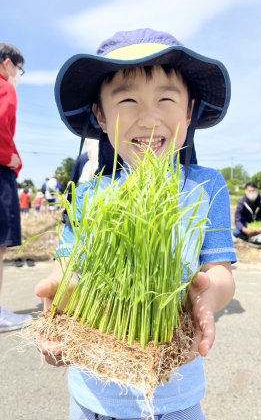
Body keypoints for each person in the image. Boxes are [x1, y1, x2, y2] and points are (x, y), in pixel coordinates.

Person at [34, 29, 236, 420]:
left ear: (190, 110)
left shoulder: (205, 186)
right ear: (101, 117)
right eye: (127, 100)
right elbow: (68, 266)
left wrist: (207, 299)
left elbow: (219, 273)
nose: (148, 117)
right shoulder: (89, 194)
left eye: (166, 98)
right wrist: (62, 298)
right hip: (92, 393)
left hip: (173, 391)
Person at [0, 42, 32, 332]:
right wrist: (8, 156)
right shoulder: (4, 87)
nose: (17, 75)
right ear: (7, 63)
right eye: (18, 69)